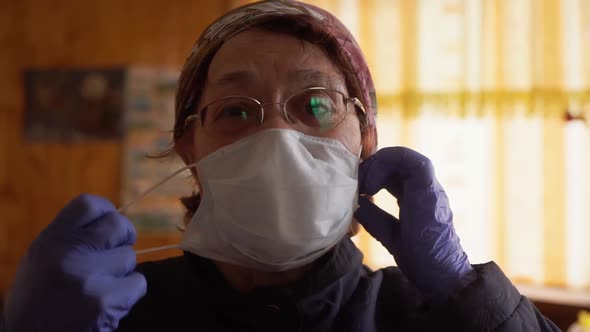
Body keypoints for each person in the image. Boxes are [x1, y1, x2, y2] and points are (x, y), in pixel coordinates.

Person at [2, 1, 559, 331]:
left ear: (366, 140)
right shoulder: (113, 311)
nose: (276, 136)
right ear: (189, 148)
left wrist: (467, 294)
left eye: (317, 104)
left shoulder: (428, 318)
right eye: (236, 109)